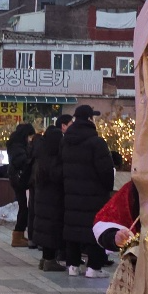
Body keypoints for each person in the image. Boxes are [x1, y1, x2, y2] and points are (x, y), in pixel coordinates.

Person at [61, 105, 114, 278]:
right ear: (90, 119)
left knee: (73, 228)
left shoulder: (66, 141)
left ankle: (73, 266)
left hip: (70, 193)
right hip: (94, 194)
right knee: (94, 229)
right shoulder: (96, 142)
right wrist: (107, 189)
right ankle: (93, 267)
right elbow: (106, 170)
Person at [32, 115, 71, 271]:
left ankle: (45, 259)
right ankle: (49, 260)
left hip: (42, 199)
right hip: (53, 201)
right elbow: (57, 176)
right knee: (51, 230)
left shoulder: (42, 156)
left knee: (45, 229)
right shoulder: (54, 159)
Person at [6, 123, 36, 247]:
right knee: (24, 208)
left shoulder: (15, 144)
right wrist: (31, 159)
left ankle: (19, 235)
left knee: (24, 207)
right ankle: (17, 236)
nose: (30, 139)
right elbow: (21, 161)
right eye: (29, 136)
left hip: (17, 179)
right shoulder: (18, 146)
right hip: (20, 180)